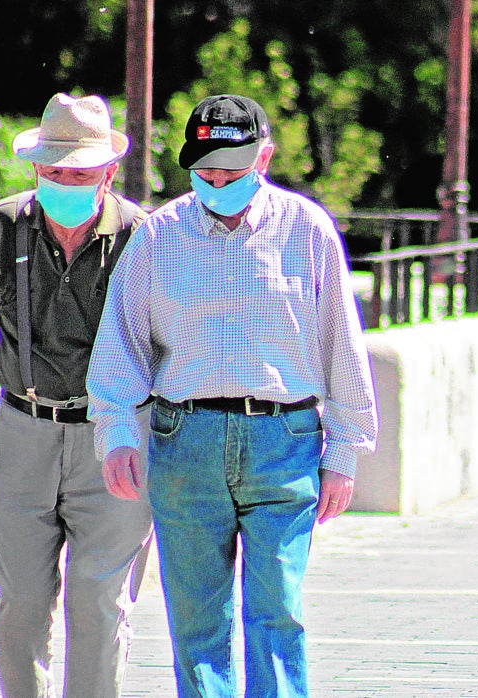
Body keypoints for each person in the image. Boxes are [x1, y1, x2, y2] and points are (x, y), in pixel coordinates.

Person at [87, 94, 378, 697]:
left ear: (265, 157)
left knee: (277, 609)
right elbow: (120, 340)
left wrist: (344, 452)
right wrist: (115, 432)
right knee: (197, 618)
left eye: (231, 173)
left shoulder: (308, 230)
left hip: (285, 439)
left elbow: (341, 346)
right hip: (185, 438)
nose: (216, 184)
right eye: (204, 174)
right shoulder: (158, 236)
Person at [0, 93, 152, 697]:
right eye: (53, 172)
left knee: (100, 602)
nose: (64, 182)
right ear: (36, 168)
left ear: (108, 171)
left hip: (114, 436)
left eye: (79, 173)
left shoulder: (142, 235)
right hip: (22, 430)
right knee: (21, 602)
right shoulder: (2, 226)